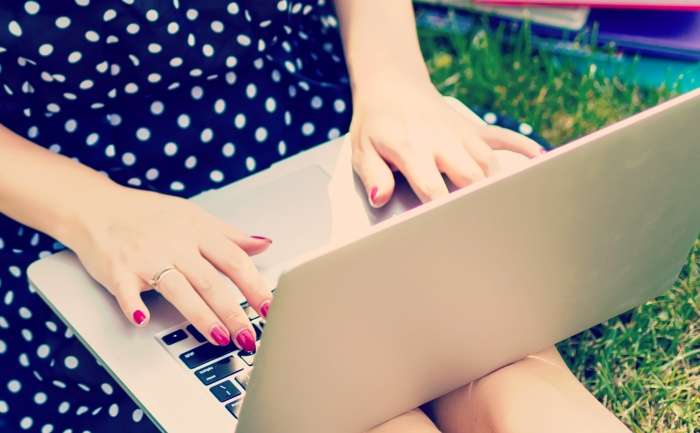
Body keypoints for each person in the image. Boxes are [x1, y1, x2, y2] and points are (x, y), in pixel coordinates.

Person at [0, 1, 632, 432]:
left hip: (305, 115)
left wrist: (394, 80)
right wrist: (96, 212)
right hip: (70, 193)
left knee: (513, 381)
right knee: (337, 402)